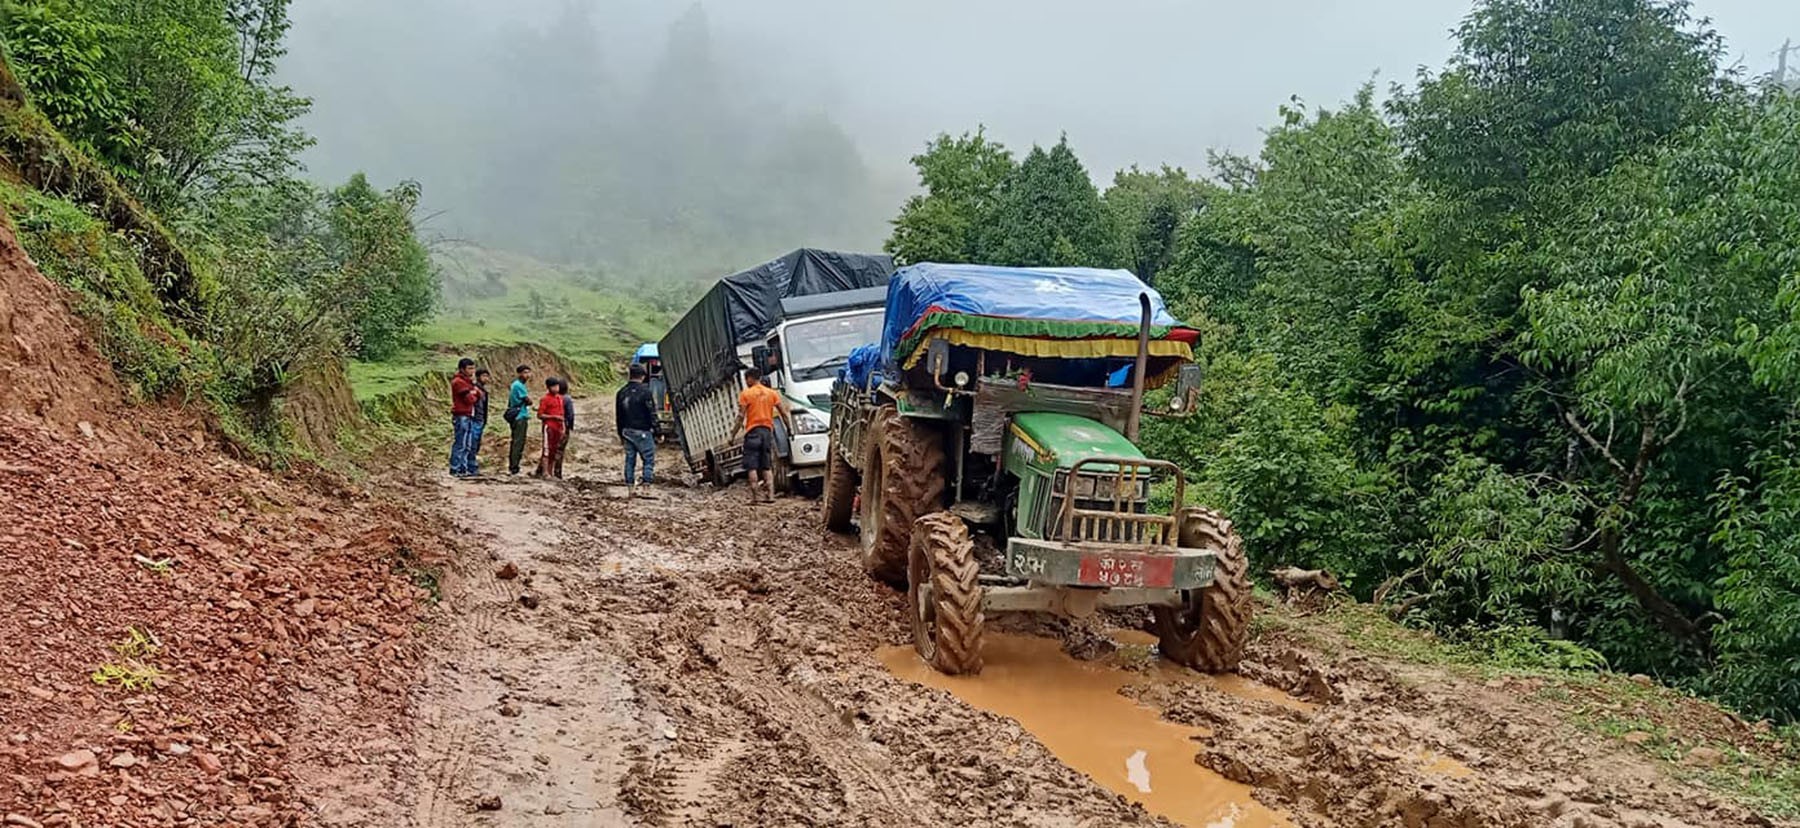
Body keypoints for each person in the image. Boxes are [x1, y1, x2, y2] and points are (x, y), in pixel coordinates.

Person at [733, 367, 791, 504]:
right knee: (766, 465)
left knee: (751, 465)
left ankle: (755, 498)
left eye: (746, 379)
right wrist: (789, 429)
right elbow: (783, 413)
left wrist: (732, 435)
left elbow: (741, 416)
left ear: (750, 378)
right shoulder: (772, 393)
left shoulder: (746, 394)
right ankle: (770, 496)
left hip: (753, 432)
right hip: (767, 431)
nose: (746, 382)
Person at [616, 363, 657, 496]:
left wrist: (620, 434)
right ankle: (646, 488)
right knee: (648, 459)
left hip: (627, 431)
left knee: (630, 460)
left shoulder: (621, 392)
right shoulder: (646, 392)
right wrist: (657, 430)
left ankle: (630, 488)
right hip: (643, 431)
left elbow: (619, 415)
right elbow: (652, 413)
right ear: (643, 376)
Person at [449, 358, 481, 477]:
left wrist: (474, 392)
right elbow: (470, 399)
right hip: (461, 414)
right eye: (469, 368)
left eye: (473, 368)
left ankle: (463, 468)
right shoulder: (458, 382)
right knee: (460, 443)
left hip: (468, 414)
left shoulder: (468, 382)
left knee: (467, 444)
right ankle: (455, 468)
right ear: (462, 369)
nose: (472, 371)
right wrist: (474, 392)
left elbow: (479, 394)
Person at [534, 377, 567, 478]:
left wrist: (563, 427)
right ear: (548, 388)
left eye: (557, 386)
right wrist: (553, 417)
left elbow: (562, 414)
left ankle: (550, 471)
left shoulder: (560, 399)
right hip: (549, 426)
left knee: (554, 450)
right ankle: (544, 472)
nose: (556, 388)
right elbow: (540, 415)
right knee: (547, 450)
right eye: (554, 386)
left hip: (558, 427)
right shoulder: (545, 399)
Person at [504, 365, 534, 475]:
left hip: (517, 416)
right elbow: (527, 400)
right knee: (518, 442)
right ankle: (514, 467)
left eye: (529, 372)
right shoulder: (519, 386)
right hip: (519, 416)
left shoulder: (516, 385)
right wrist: (530, 401)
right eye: (525, 372)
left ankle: (514, 465)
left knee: (517, 441)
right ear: (519, 373)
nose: (528, 375)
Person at [469, 368, 492, 475]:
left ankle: (471, 465)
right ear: (478, 377)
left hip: (481, 419)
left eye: (487, 376)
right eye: (483, 376)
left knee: (476, 443)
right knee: (472, 443)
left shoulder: (483, 391)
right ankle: (471, 466)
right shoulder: (474, 389)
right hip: (475, 419)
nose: (486, 378)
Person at [555, 380, 575, 479]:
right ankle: (557, 473)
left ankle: (543, 470)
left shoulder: (554, 397)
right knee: (560, 450)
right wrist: (570, 426)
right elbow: (570, 414)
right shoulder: (567, 399)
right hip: (563, 426)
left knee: (549, 448)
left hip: (552, 426)